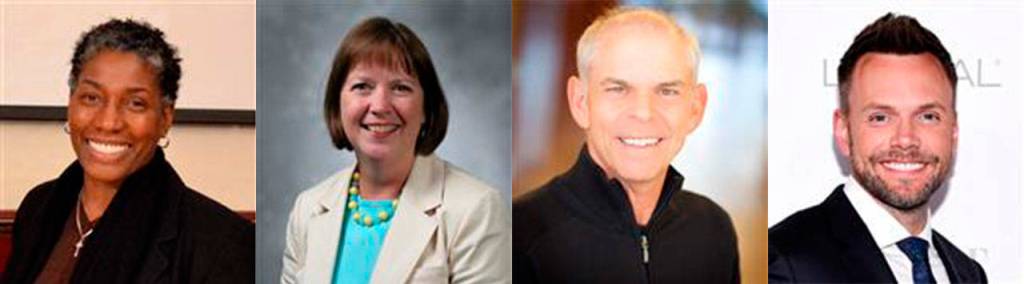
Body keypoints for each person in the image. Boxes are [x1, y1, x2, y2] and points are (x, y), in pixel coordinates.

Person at [2, 19, 254, 283]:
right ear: (70, 104)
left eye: (135, 103)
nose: (108, 122)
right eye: (91, 98)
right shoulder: (39, 207)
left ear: (165, 118)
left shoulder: (222, 245)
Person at [513, 7, 739, 283]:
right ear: (580, 102)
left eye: (667, 91)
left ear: (696, 108)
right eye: (618, 89)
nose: (643, 113)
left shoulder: (714, 229)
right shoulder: (518, 236)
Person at [280, 17, 511, 284]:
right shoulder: (308, 208)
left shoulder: (476, 209)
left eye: (401, 88)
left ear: (426, 109)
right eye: (362, 87)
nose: (380, 106)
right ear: (338, 103)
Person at [768, 13, 986, 283]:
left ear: (953, 131)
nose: (905, 139)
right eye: (880, 118)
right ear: (843, 131)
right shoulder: (783, 262)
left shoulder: (969, 273)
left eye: (928, 116)